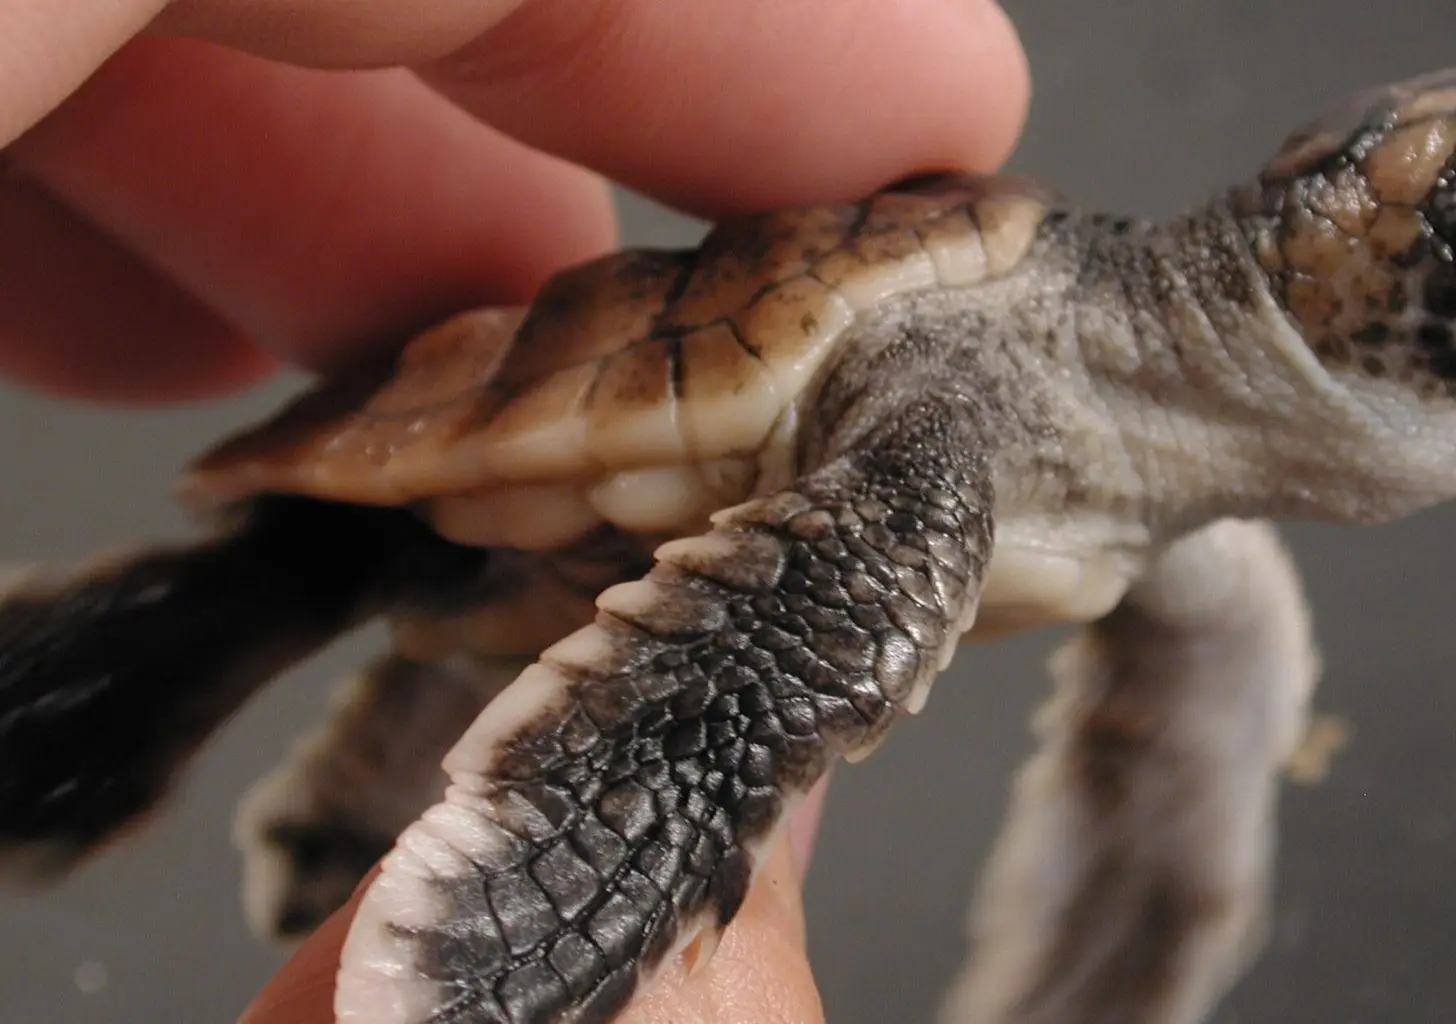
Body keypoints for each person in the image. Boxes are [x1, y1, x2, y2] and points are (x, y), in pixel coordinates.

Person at [0, 2, 1030, 1020]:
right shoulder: (972, 398)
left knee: (300, 596)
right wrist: (590, 867)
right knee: (250, 609)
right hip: (589, 440)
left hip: (560, 529)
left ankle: (369, 783)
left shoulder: (1181, 505)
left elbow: (1164, 777)